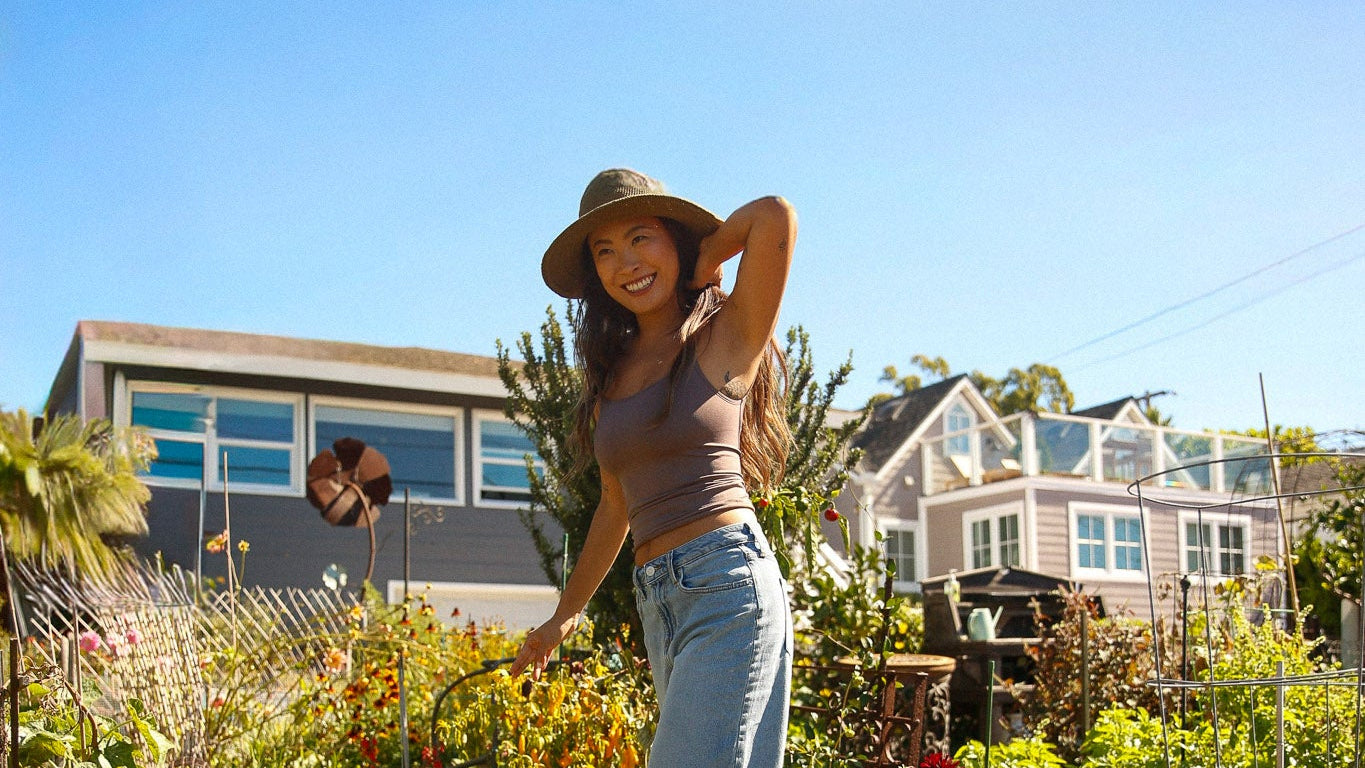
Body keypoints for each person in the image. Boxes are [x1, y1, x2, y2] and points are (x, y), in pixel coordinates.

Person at [509, 168, 797, 767]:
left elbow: (774, 216)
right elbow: (616, 505)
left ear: (674, 239)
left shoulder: (724, 337)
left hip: (726, 582)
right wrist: (566, 614)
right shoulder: (611, 378)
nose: (627, 263)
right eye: (605, 250)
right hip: (658, 600)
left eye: (641, 237)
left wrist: (708, 256)